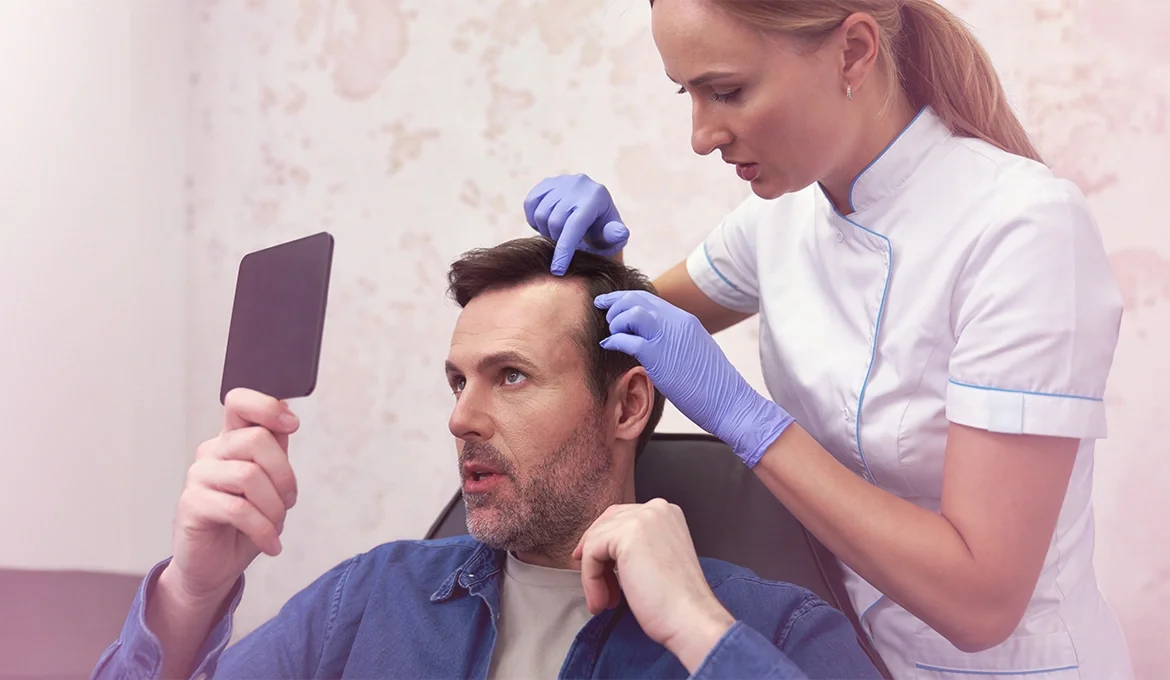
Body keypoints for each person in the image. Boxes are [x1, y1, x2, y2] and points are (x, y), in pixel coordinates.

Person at [522, 0, 1132, 678]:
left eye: (727, 91)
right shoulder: (784, 215)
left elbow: (981, 604)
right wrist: (601, 266)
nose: (700, 136)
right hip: (837, 654)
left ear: (854, 52)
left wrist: (746, 420)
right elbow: (625, 330)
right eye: (685, 93)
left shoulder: (1024, 230)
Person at [90, 237, 881, 680]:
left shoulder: (775, 628)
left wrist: (700, 631)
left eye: (510, 376)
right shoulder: (367, 602)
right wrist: (193, 591)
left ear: (627, 406)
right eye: (457, 381)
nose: (461, 418)